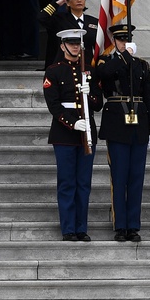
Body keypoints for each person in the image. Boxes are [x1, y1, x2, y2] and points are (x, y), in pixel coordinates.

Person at [93, 24, 150, 242]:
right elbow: (103, 74)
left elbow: (149, 97)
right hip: (117, 124)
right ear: (115, 41)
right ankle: (120, 225)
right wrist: (122, 57)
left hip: (138, 123)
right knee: (119, 177)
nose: (124, 43)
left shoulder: (141, 65)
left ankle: (133, 225)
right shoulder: (107, 61)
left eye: (126, 39)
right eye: (120, 40)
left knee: (136, 178)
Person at [42, 28, 102, 241]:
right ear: (62, 46)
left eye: (78, 43)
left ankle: (81, 227)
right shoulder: (54, 71)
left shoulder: (89, 71)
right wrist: (72, 122)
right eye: (71, 43)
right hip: (65, 134)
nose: (75, 46)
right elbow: (54, 105)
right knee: (67, 182)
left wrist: (91, 95)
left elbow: (98, 103)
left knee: (83, 183)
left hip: (87, 132)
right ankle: (68, 228)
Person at [38, 0, 97, 68]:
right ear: (67, 2)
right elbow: (41, 17)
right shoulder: (60, 19)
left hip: (87, 66)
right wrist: (58, 3)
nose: (79, 0)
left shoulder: (94, 21)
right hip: (65, 67)